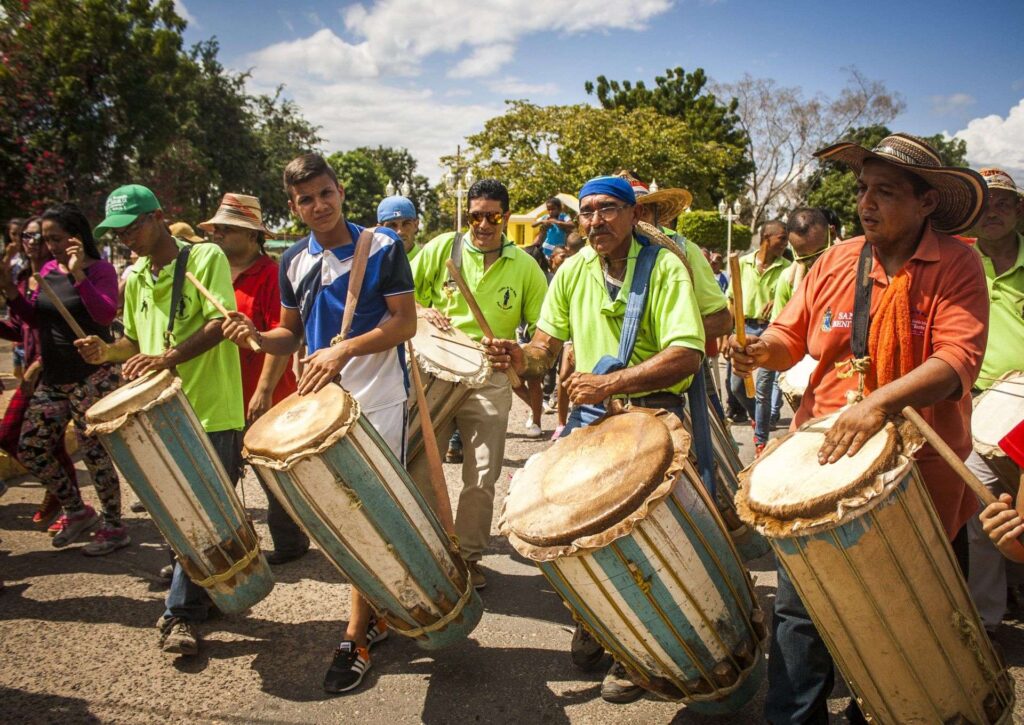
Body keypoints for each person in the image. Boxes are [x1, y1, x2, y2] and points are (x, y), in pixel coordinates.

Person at [729, 132, 989, 724]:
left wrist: (878, 405)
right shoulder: (835, 261)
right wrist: (757, 350)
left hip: (922, 470)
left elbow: (956, 363)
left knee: (921, 616)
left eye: (886, 192)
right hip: (824, 460)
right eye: (863, 189)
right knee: (800, 613)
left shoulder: (957, 263)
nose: (866, 203)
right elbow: (789, 338)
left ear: (926, 202)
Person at [483, 174, 706, 704]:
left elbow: (687, 354)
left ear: (633, 215)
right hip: (592, 418)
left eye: (607, 209)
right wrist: (521, 358)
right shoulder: (571, 270)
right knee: (578, 534)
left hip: (655, 415)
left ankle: (643, 651)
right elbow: (543, 346)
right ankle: (599, 621)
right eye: (586, 212)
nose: (595, 221)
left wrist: (611, 382)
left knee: (649, 545)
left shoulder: (665, 266)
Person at [221, 153, 417, 694]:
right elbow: (289, 334)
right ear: (294, 206)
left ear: (340, 192)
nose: (318, 206)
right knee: (338, 518)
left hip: (376, 400)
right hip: (317, 407)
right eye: (305, 199)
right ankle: (377, 608)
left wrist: (342, 352)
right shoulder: (291, 261)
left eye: (325, 193)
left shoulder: (381, 247)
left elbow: (405, 323)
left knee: (371, 513)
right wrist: (259, 339)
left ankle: (357, 633)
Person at [76, 183, 246, 655]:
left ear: (156, 218)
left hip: (212, 409)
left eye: (132, 226)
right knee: (178, 516)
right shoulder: (135, 278)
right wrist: (104, 352)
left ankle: (180, 614)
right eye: (117, 230)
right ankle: (196, 593)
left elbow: (219, 321)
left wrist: (167, 357)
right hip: (157, 415)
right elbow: (131, 343)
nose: (126, 236)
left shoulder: (204, 258)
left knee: (204, 516)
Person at [411, 178, 548, 589]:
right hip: (435, 370)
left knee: (483, 475)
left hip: (490, 377)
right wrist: (422, 312)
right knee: (420, 466)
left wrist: (519, 350)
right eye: (475, 216)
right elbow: (398, 296)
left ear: (505, 217)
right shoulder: (441, 249)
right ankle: (433, 555)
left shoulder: (524, 266)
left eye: (492, 216)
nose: (483, 224)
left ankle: (468, 559)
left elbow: (544, 331)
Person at [0, 204, 124, 554]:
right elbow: (34, 319)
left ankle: (114, 525)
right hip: (54, 379)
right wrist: (10, 291)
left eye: (56, 238)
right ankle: (76, 509)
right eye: (45, 239)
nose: (49, 246)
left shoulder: (100, 270)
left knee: (96, 455)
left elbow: (104, 313)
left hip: (91, 378)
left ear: (76, 237)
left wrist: (78, 275)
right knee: (32, 447)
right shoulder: (46, 271)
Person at [199, 193, 305, 565]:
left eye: (226, 229)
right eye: (217, 229)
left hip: (265, 391)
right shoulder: (212, 275)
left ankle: (291, 542)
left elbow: (282, 336)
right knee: (221, 474)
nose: (218, 236)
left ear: (251, 235)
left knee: (272, 474)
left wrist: (262, 392)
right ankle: (216, 551)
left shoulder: (272, 275)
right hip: (223, 393)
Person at [961, 168, 1024, 633]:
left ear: (1019, 210)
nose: (994, 212)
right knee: (985, 512)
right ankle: (988, 617)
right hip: (979, 407)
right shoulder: (959, 264)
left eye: (1004, 202)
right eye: (985, 205)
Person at [0, 216, 79, 530]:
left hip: (52, 373)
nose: (30, 242)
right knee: (16, 437)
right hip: (34, 373)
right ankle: (63, 495)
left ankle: (69, 503)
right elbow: (23, 328)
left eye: (38, 236)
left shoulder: (58, 276)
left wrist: (41, 361)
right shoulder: (23, 277)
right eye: (24, 236)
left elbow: (67, 328)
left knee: (39, 441)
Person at [728, 219, 791, 454]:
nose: (786, 243)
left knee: (763, 389)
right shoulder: (741, 264)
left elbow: (792, 297)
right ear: (767, 238)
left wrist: (778, 300)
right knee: (736, 386)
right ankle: (757, 417)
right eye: (782, 238)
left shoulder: (787, 268)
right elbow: (731, 299)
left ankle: (761, 442)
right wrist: (729, 334)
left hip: (770, 332)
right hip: (743, 330)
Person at [771, 208, 831, 321]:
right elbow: (778, 326)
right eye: (804, 258)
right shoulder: (788, 279)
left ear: (832, 234)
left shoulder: (852, 271)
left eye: (820, 253)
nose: (814, 263)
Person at [376, 195, 422, 260]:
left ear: (416, 225)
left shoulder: (429, 262)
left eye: (406, 224)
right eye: (392, 225)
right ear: (380, 230)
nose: (400, 231)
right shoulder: (372, 265)